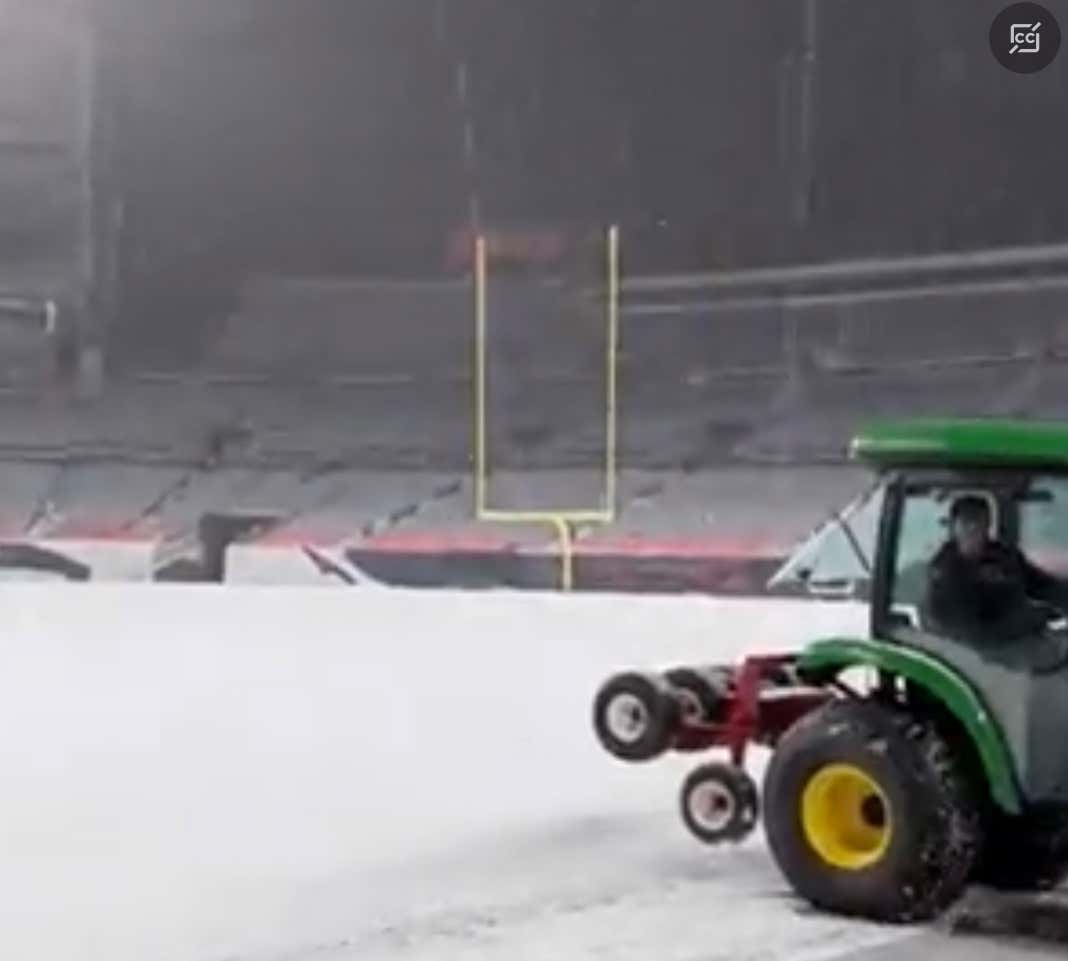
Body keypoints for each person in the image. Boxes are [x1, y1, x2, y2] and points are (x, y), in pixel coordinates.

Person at [924, 494, 1068, 645]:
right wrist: (1032, 619)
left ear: (988, 525)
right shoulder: (944, 571)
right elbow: (967, 631)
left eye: (979, 521)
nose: (973, 528)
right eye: (967, 521)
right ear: (953, 527)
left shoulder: (1004, 557)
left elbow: (1041, 584)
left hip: (1023, 644)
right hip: (973, 655)